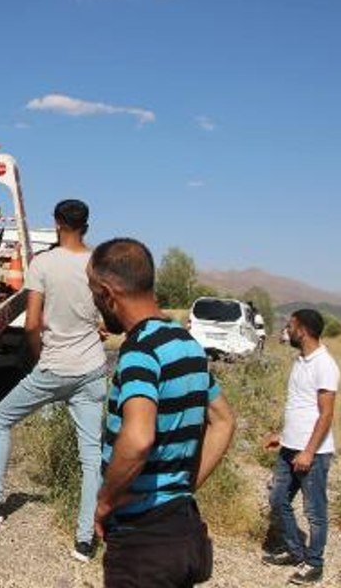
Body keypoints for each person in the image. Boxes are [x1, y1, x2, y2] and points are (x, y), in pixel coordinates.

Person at [0, 199, 108, 562]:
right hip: (92, 369)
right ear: (86, 225)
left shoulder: (45, 263)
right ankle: (84, 541)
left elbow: (33, 323)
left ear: (57, 223)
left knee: (0, 418)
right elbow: (106, 314)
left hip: (55, 367)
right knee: (91, 455)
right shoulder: (98, 264)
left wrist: (40, 359)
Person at [87, 238, 236, 588]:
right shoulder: (187, 345)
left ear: (109, 294)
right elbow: (224, 421)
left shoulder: (140, 351)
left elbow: (138, 439)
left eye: (95, 296)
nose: (96, 306)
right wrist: (183, 487)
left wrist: (105, 502)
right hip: (182, 529)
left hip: (143, 545)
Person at [262, 309, 340, 585]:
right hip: (289, 448)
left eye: (290, 325)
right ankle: (296, 552)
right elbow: (300, 406)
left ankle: (315, 564)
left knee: (314, 512)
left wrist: (308, 451)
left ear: (303, 329)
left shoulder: (325, 365)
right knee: (277, 499)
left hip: (313, 453)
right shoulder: (300, 361)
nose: (287, 329)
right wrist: (283, 437)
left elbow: (326, 414)